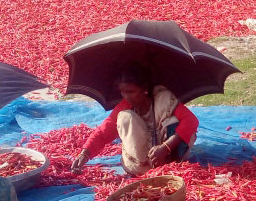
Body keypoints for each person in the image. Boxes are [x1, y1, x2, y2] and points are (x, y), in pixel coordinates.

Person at [70, 66, 199, 177]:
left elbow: (191, 120)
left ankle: (172, 161)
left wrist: (165, 147)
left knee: (174, 121)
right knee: (125, 117)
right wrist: (85, 154)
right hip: (140, 161)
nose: (126, 96)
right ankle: (148, 167)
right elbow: (103, 132)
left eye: (131, 91)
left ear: (145, 89)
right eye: (122, 91)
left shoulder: (163, 99)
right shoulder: (125, 105)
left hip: (167, 153)